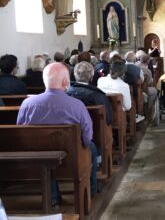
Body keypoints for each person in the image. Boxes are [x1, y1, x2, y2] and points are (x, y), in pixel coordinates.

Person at [16, 62, 98, 206]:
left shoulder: (27, 104)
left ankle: (53, 196)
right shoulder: (76, 105)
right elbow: (87, 137)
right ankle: (92, 189)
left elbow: (20, 132)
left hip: (37, 158)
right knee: (91, 147)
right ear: (66, 82)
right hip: (70, 159)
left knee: (45, 150)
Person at [67, 61, 113, 125]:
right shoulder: (98, 95)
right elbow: (109, 119)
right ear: (91, 77)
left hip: (71, 131)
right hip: (95, 131)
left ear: (75, 75)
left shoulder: (65, 93)